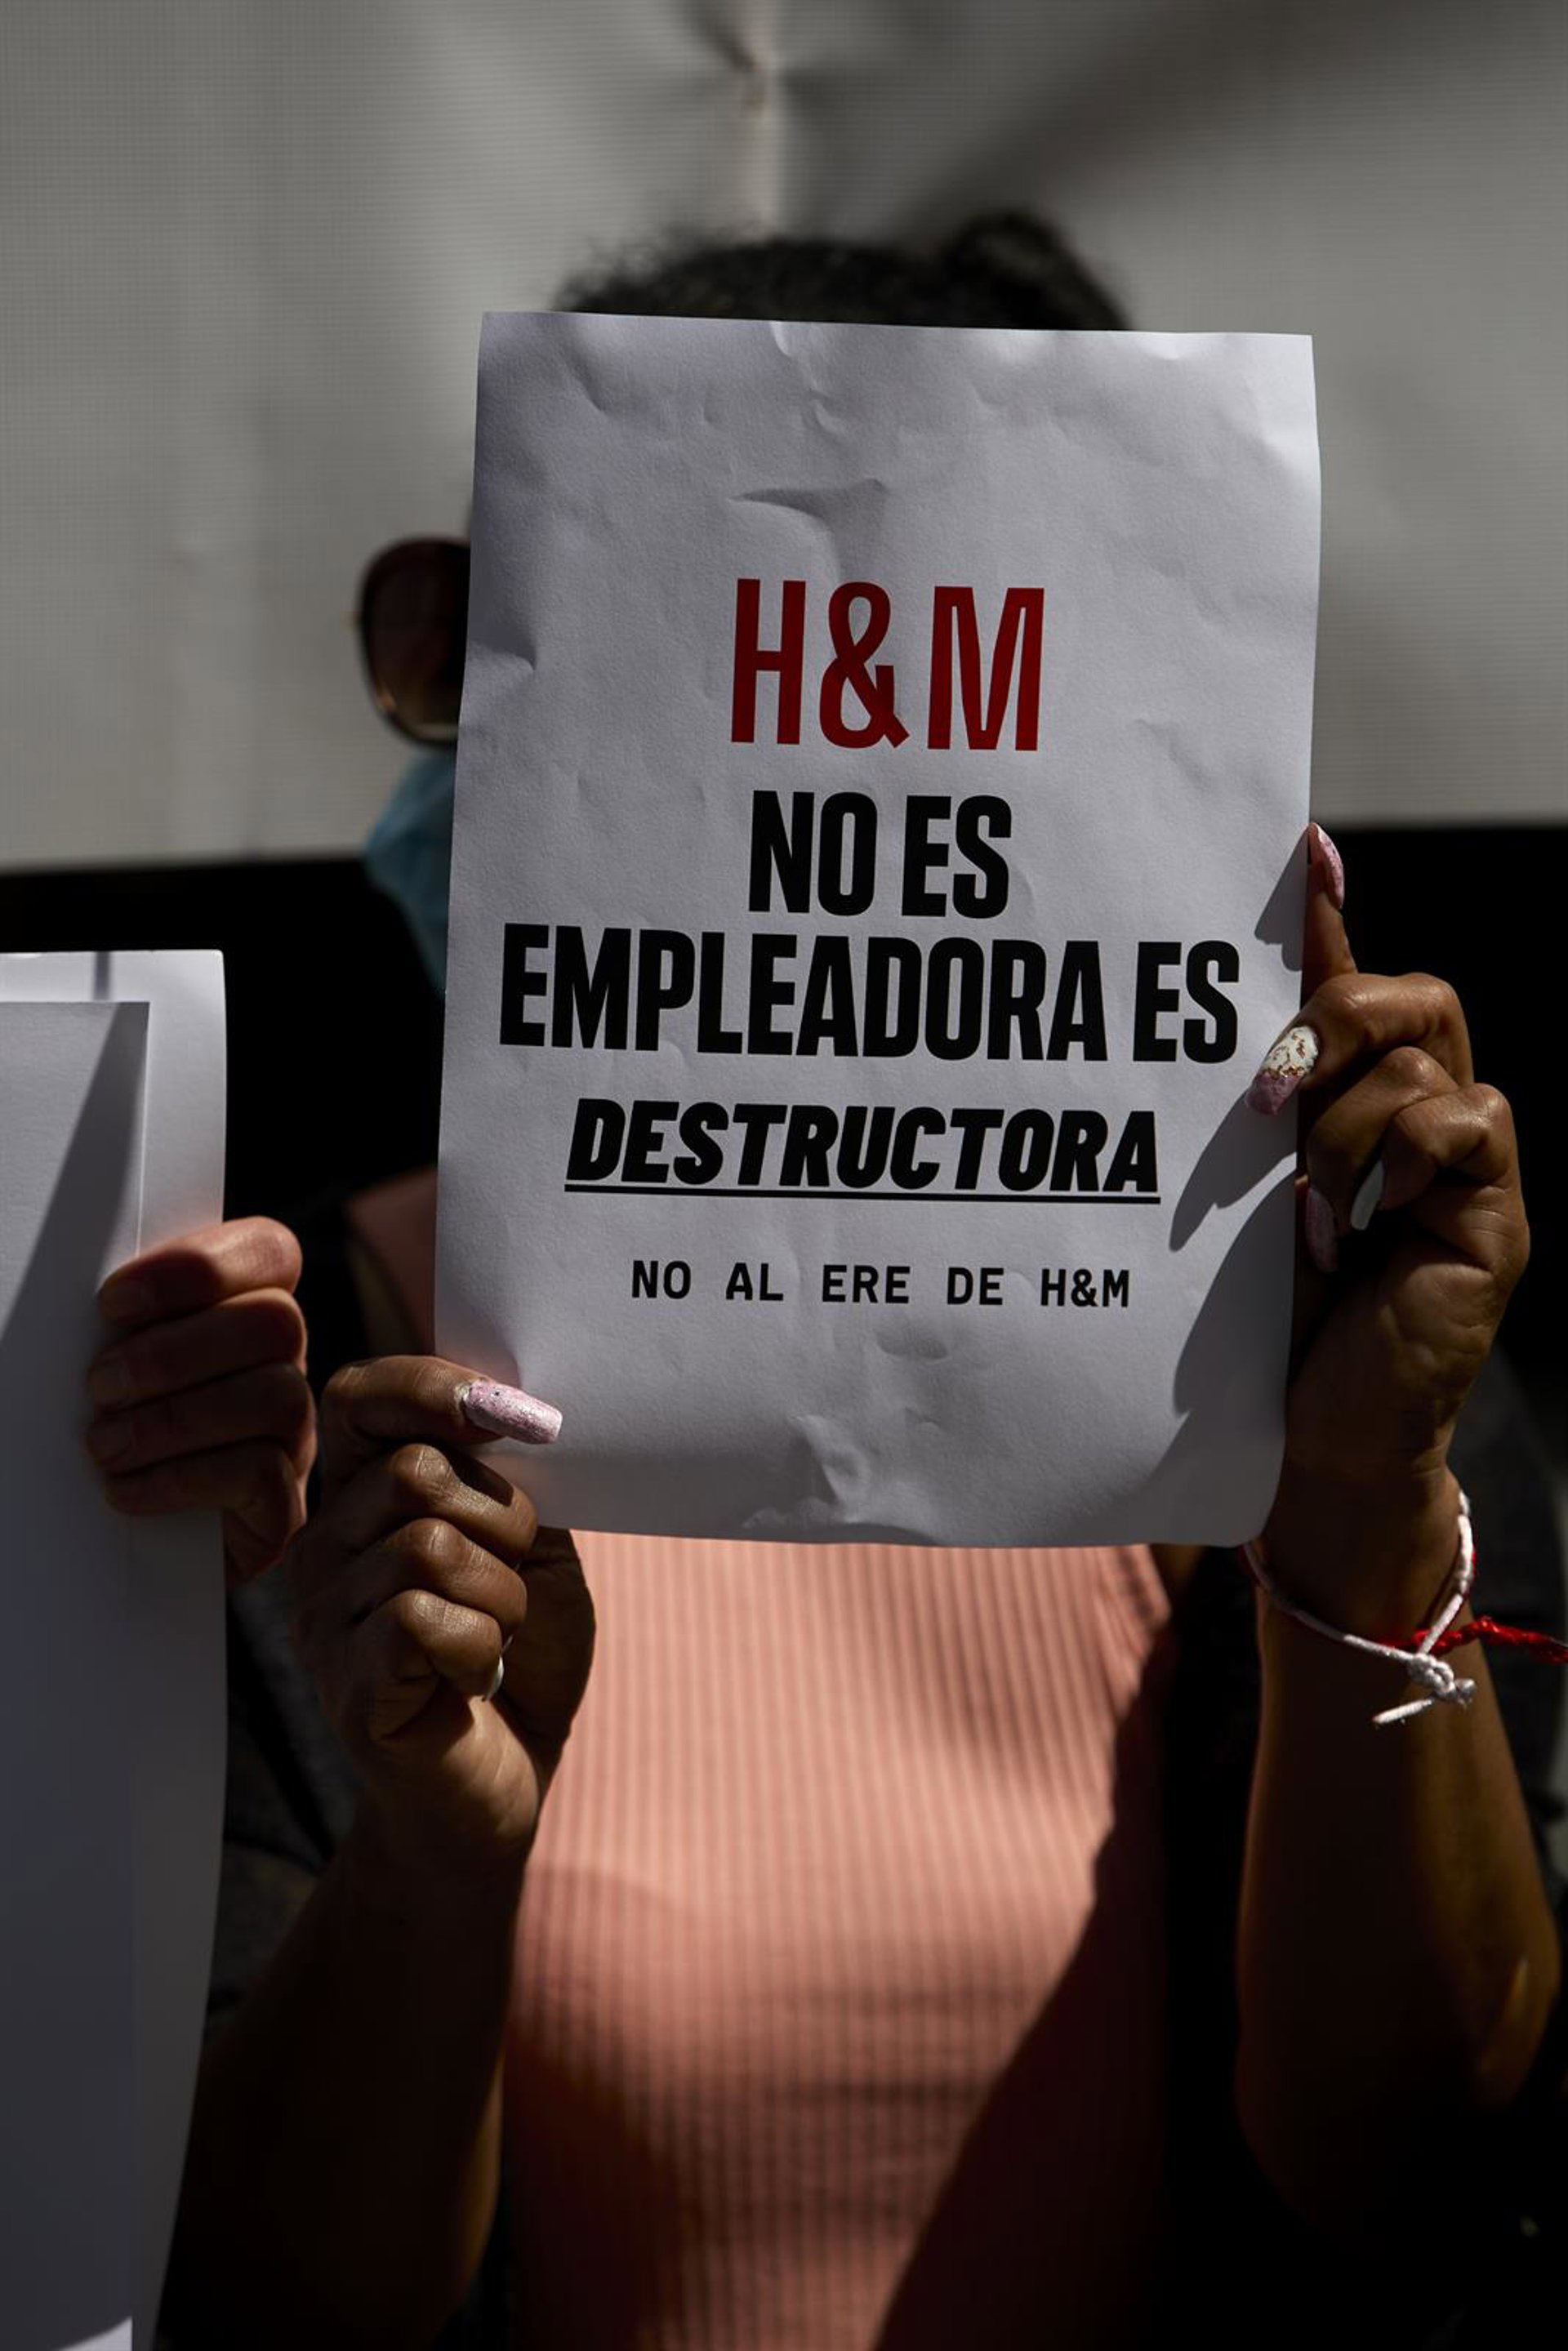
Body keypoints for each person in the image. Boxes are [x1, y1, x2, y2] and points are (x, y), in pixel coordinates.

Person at [84, 218, 1566, 2350]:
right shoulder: (295, 1406)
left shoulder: (1317, 1364)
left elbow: (1429, 2170)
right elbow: (248, 2308)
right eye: (507, 631)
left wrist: (1354, 1514)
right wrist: (432, 1847)